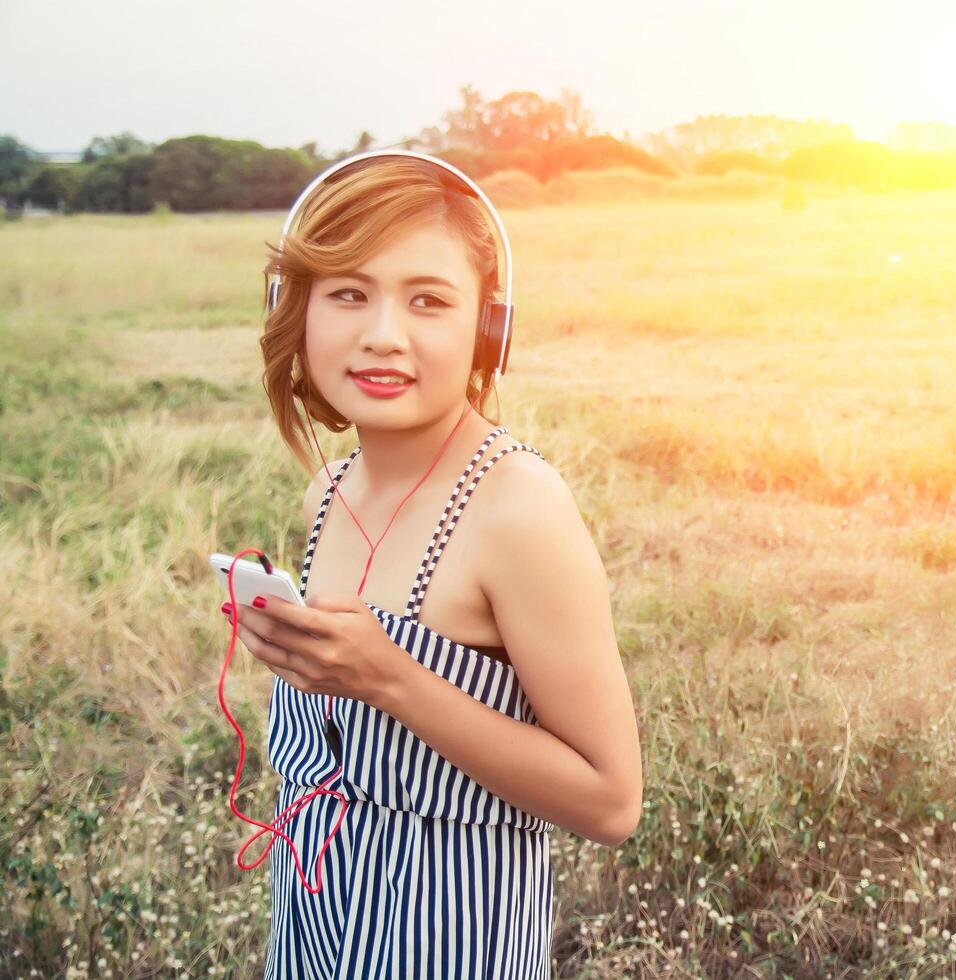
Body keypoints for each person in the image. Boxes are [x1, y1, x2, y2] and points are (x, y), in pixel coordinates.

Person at [226, 152, 642, 978]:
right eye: (347, 292)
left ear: (489, 329)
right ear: (294, 312)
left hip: (452, 944)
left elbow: (611, 800)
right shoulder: (328, 493)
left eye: (428, 300)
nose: (384, 332)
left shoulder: (517, 509)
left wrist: (393, 680)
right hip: (313, 933)